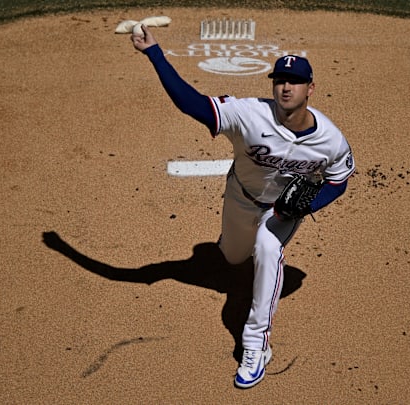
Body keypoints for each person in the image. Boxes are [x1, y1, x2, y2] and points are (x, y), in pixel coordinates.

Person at [130, 25, 355, 389]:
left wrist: (303, 206)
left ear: (310, 89)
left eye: (294, 81)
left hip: (279, 212)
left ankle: (255, 344)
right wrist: (154, 53)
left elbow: (339, 179)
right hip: (239, 197)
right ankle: (235, 244)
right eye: (280, 79)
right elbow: (192, 104)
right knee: (233, 258)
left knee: (267, 248)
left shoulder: (330, 139)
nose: (285, 87)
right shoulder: (248, 114)